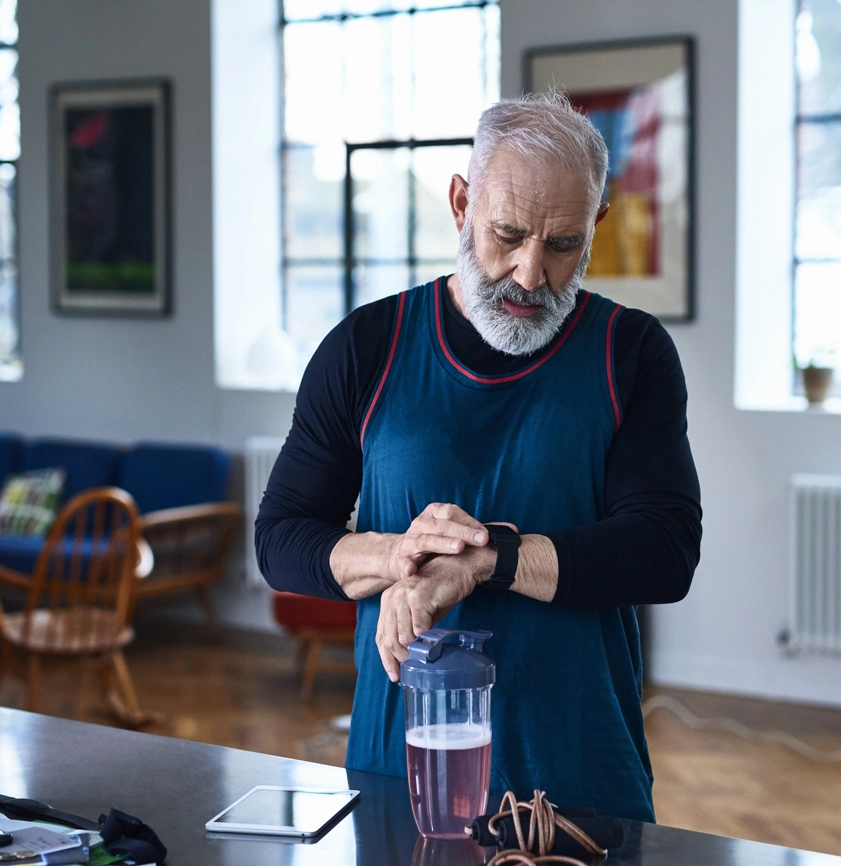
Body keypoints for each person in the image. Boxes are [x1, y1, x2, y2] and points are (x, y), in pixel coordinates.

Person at [255, 92, 702, 823]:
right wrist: (403, 554)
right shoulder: (366, 348)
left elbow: (665, 551)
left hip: (582, 780)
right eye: (509, 234)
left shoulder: (633, 354)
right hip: (402, 777)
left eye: (563, 246)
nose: (530, 275)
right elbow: (280, 541)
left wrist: (485, 560)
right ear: (461, 204)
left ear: (597, 225)